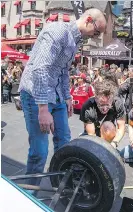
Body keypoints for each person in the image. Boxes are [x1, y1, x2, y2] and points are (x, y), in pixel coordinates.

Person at [18, 8, 107, 187]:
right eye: (97, 31)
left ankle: (60, 186)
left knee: (64, 144)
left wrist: (67, 97)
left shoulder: (75, 40)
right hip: (37, 96)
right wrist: (43, 109)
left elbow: (63, 71)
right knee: (39, 152)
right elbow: (41, 68)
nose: (96, 36)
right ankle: (28, 196)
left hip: (56, 96)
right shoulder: (58, 31)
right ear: (89, 20)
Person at [80, 73, 126, 148]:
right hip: (92, 134)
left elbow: (121, 127)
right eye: (101, 104)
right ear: (95, 98)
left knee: (108, 127)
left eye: (107, 104)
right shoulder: (88, 106)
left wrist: (114, 143)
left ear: (112, 99)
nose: (104, 109)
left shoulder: (118, 103)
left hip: (108, 132)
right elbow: (91, 134)